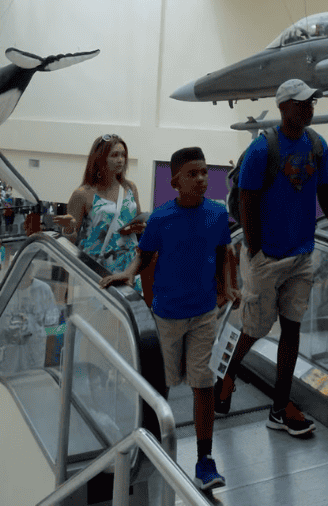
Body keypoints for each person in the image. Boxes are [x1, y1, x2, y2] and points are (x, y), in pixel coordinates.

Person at [214, 78, 328, 437]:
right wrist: (256, 251)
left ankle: (279, 409)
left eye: (311, 102)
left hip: (302, 254)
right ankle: (227, 375)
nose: (309, 108)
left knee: (292, 328)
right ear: (284, 106)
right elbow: (248, 202)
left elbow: (326, 189)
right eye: (302, 103)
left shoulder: (318, 145)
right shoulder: (261, 149)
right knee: (254, 329)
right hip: (267, 257)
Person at [102, 147, 238, 492]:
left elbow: (223, 251)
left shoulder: (218, 213)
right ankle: (150, 453)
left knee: (202, 382)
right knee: (162, 384)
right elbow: (144, 256)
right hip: (167, 316)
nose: (202, 179)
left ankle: (205, 460)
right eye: (193, 174)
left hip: (204, 313)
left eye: (205, 172)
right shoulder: (161, 218)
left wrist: (228, 286)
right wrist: (127, 274)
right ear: (175, 181)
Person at [55, 134, 146, 290]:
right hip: (97, 269)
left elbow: (139, 221)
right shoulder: (83, 194)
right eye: (114, 155)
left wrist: (140, 226)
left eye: (123, 155)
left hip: (128, 267)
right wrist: (68, 228)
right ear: (100, 158)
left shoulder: (130, 188)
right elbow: (69, 243)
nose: (120, 160)